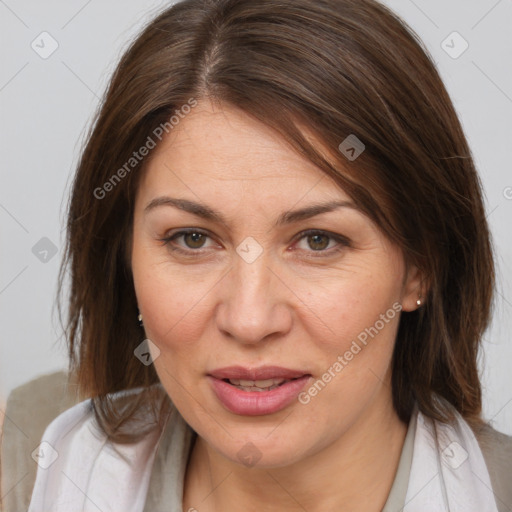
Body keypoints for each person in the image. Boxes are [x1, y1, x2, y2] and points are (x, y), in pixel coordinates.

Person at [13, 0, 511, 510]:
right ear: (124, 256)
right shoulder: (29, 459)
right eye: (192, 238)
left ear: (419, 266)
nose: (250, 320)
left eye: (319, 240)